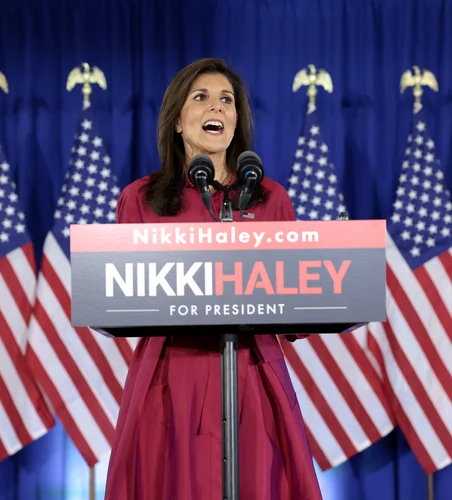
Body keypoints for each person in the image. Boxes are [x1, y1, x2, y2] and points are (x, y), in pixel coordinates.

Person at [103, 57, 323, 500]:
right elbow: (118, 298)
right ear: (178, 121)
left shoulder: (269, 199)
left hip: (253, 374)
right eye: (200, 98)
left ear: (237, 120)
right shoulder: (141, 200)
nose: (216, 109)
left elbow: (297, 307)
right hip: (170, 378)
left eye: (226, 100)